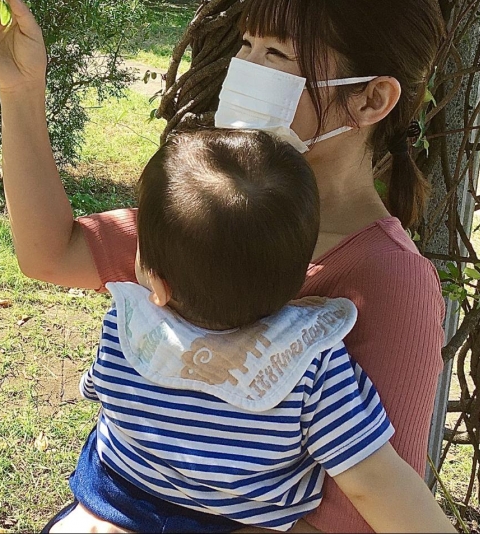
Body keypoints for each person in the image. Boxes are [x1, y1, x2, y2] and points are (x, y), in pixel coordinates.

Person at [0, 0, 447, 533]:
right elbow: (52, 252)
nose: (245, 67)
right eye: (247, 45)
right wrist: (20, 90)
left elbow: (360, 517)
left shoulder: (391, 281)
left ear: (371, 100)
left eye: (277, 55)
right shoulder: (216, 207)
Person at [48, 128, 456, 533]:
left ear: (155, 281)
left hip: (110, 505)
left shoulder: (129, 327)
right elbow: (374, 481)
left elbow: (100, 390)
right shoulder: (309, 365)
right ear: (301, 275)